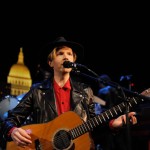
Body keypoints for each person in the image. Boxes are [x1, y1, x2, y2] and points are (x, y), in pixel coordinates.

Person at [0, 37, 137, 150]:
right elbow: (8, 120)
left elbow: (91, 127)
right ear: (50, 62)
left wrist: (112, 123)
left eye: (69, 54)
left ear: (74, 61)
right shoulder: (37, 91)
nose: (66, 56)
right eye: (60, 53)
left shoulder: (85, 91)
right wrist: (13, 131)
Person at [96, 74, 134, 150]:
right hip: (119, 116)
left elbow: (101, 105)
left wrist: (94, 101)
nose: (99, 85)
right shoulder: (116, 89)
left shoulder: (102, 91)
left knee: (108, 143)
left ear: (103, 82)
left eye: (99, 83)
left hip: (107, 119)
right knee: (120, 143)